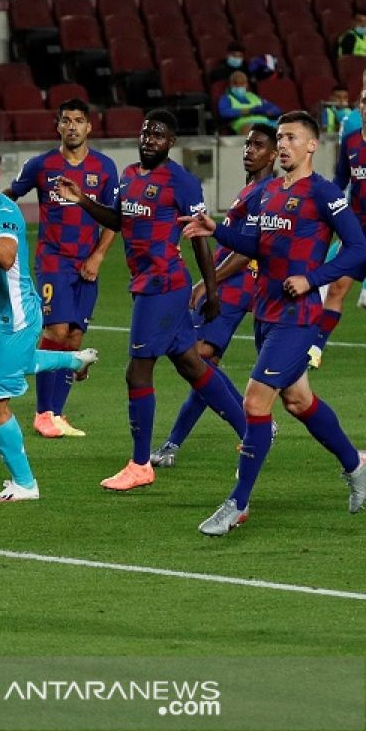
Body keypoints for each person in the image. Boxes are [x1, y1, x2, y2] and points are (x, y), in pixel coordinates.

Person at [179, 111, 366, 535]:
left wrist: (314, 278)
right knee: (298, 401)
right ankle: (356, 465)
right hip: (266, 312)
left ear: (312, 145)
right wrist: (215, 229)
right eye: (280, 138)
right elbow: (256, 245)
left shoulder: (324, 194)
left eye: (292, 138)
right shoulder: (266, 192)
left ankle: (237, 504)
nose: (283, 145)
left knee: (255, 402)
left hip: (298, 318)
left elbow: (358, 248)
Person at [54, 109, 247, 492]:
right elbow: (120, 221)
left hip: (163, 286)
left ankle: (140, 464)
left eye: (158, 135)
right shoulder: (128, 176)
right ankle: (252, 429)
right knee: (191, 365)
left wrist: (210, 289)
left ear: (171, 142)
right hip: (147, 284)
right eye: (146, 133)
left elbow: (199, 239)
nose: (149, 139)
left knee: (136, 372)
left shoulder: (182, 182)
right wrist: (82, 201)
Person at [0, 141, 99, 503]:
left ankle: (25, 483)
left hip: (16, 317)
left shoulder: (5, 214)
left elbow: (4, 257)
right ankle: (72, 360)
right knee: (5, 369)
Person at [149, 124, 277, 468]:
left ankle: (254, 423)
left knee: (197, 359)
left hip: (235, 285)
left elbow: (249, 251)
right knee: (202, 365)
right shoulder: (252, 189)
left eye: (258, 145)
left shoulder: (267, 192)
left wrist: (209, 282)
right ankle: (173, 444)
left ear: (274, 154)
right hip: (226, 282)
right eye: (247, 144)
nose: (249, 150)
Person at [6, 98, 118, 438]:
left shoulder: (105, 167)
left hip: (86, 263)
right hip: (53, 261)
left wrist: (98, 256)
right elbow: (9, 196)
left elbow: (114, 219)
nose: (72, 126)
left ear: (89, 127)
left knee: (74, 337)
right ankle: (43, 413)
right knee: (55, 332)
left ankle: (57, 413)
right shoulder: (41, 165)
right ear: (58, 126)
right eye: (66, 120)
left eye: (78, 120)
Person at [308, 87, 366, 366]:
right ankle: (315, 351)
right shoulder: (352, 141)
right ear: (359, 107)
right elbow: (341, 178)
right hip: (356, 231)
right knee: (337, 289)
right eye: (364, 101)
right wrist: (325, 203)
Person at [216, 71, 281, 135]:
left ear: (247, 85)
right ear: (230, 85)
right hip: (244, 123)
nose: (239, 86)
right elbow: (224, 113)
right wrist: (249, 111)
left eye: (242, 83)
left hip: (265, 122)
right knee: (254, 130)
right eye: (235, 83)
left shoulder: (253, 96)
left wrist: (267, 111)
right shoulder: (226, 98)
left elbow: (276, 109)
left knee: (284, 128)